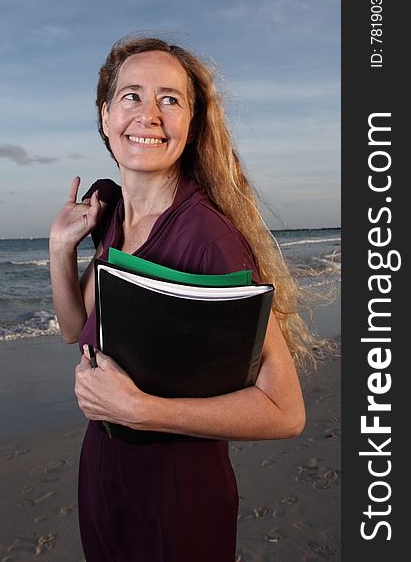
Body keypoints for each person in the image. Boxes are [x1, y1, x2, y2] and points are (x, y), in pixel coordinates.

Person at [48, 35, 316, 561]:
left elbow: (286, 412)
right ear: (105, 116)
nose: (148, 114)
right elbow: (73, 326)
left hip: (177, 491)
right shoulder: (114, 212)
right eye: (131, 96)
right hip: (104, 474)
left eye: (170, 99)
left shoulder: (209, 240)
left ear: (191, 123)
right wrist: (60, 248)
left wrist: (142, 409)